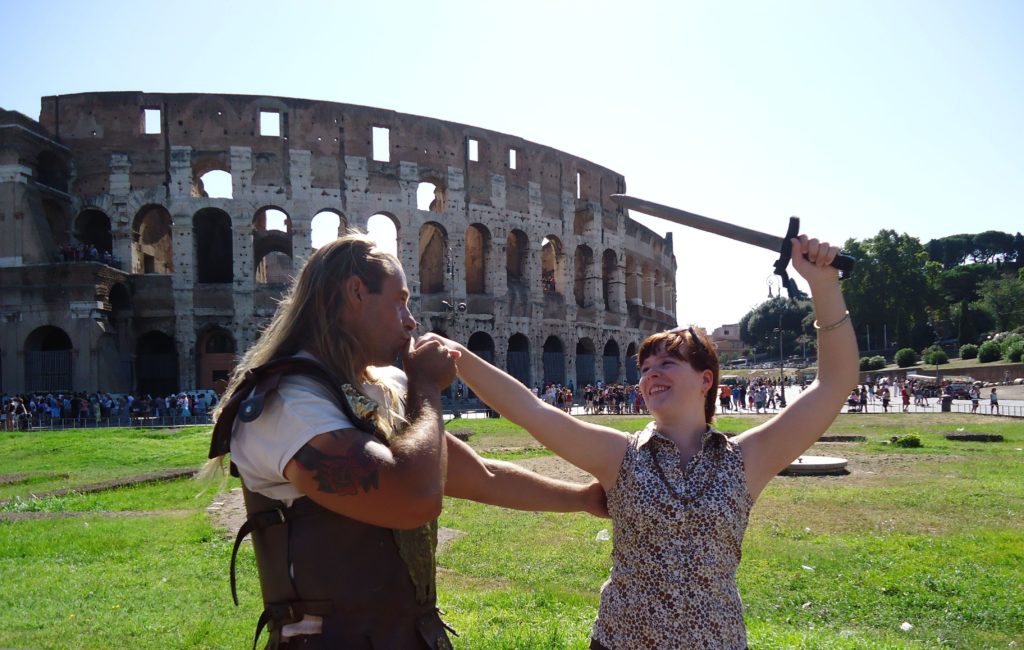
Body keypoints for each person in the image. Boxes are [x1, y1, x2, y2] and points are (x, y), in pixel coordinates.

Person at [429, 235, 858, 648]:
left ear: (706, 380)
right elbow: (531, 410)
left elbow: (833, 384)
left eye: (668, 363)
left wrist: (823, 286)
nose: (651, 374)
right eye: (646, 367)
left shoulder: (746, 460)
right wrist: (458, 356)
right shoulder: (619, 457)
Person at [208, 232, 605, 649]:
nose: (411, 319)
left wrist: (583, 498)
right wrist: (427, 389)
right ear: (356, 292)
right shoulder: (287, 405)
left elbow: (481, 476)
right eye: (399, 300)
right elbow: (413, 499)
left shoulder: (384, 386)